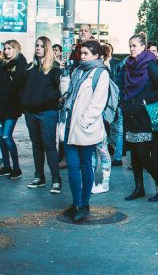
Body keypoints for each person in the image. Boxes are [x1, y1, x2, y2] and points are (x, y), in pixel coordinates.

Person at [58, 40, 109, 221]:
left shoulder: (101, 73)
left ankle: (84, 203)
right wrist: (64, 77)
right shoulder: (78, 70)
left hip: (85, 126)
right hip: (70, 124)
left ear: (96, 55)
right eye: (81, 53)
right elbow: (68, 95)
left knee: (86, 165)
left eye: (86, 53)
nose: (82, 56)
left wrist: (84, 121)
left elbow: (98, 102)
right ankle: (76, 202)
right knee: (72, 166)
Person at [120, 34, 158, 202]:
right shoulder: (129, 65)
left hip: (145, 116)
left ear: (143, 47)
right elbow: (123, 87)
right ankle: (139, 188)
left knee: (144, 155)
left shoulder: (150, 64)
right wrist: (124, 104)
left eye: (134, 45)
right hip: (130, 114)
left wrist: (144, 100)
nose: (132, 49)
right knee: (134, 154)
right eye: (130, 46)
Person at [21, 37, 62, 193]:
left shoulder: (55, 67)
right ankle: (39, 177)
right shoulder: (30, 68)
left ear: (48, 48)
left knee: (49, 145)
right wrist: (24, 104)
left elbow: (60, 90)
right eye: (36, 45)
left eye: (42, 46)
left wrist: (47, 101)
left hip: (48, 113)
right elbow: (22, 88)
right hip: (31, 113)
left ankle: (56, 179)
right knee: (36, 145)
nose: (38, 48)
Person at [0, 40, 27, 179]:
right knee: (1, 138)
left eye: (10, 48)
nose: (7, 51)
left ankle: (16, 167)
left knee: (6, 136)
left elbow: (20, 85)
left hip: (12, 106)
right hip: (1, 106)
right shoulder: (2, 65)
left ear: (15, 49)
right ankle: (6, 166)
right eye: (5, 49)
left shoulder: (21, 64)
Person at [103, 43, 125, 166]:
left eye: (108, 49)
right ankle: (110, 151)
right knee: (108, 128)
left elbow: (117, 82)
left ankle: (116, 155)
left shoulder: (118, 63)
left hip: (116, 99)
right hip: (105, 100)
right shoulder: (101, 64)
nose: (107, 52)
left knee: (118, 129)